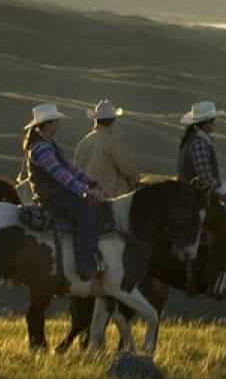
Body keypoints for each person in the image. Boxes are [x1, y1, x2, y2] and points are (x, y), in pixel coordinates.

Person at [20, 103, 105, 284]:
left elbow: (69, 168)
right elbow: (60, 174)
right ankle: (85, 265)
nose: (58, 125)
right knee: (86, 213)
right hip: (52, 196)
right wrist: (86, 190)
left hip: (57, 194)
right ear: (48, 124)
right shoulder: (41, 148)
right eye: (56, 122)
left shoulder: (48, 144)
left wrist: (89, 181)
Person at [177, 100, 226, 297]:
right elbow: (206, 179)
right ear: (205, 123)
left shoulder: (195, 140)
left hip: (193, 195)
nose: (215, 124)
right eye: (212, 121)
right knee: (225, 229)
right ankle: (216, 282)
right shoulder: (200, 144)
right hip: (196, 198)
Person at [73, 100, 139, 200]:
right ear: (112, 120)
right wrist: (135, 178)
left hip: (88, 196)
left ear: (96, 120)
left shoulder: (83, 142)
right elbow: (128, 169)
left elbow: (76, 170)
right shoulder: (112, 141)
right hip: (111, 197)